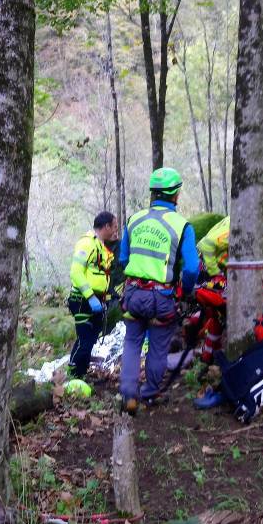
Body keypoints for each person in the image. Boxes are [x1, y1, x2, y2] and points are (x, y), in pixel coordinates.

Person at [118, 167, 199, 413]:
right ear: (175, 195)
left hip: (133, 293)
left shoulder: (134, 220)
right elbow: (192, 269)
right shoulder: (182, 226)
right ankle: (150, 393)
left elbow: (123, 260)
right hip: (162, 297)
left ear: (153, 193)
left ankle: (129, 394)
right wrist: (184, 292)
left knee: (132, 342)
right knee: (158, 346)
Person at [194, 211, 263, 361]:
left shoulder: (245, 220)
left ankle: (208, 355)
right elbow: (206, 245)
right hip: (206, 268)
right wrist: (216, 273)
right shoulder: (237, 228)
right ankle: (212, 354)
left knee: (220, 315)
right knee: (228, 307)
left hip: (215, 268)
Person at [67, 211, 119, 379]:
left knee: (89, 340)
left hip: (97, 301)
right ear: (106, 227)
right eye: (114, 227)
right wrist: (90, 297)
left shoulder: (102, 246)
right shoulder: (87, 244)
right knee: (85, 340)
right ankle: (74, 375)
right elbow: (76, 272)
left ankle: (80, 373)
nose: (116, 231)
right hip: (82, 300)